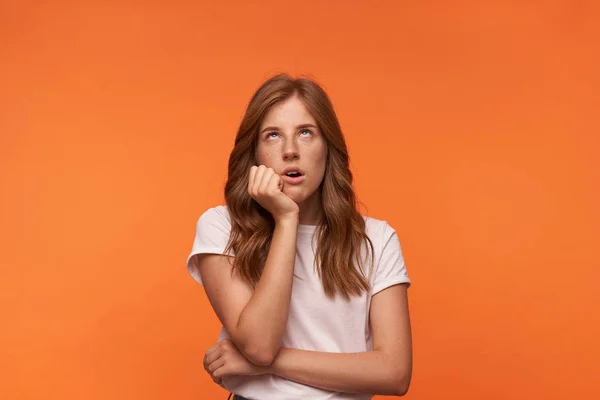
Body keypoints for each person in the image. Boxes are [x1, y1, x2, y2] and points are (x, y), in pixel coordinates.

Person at [186, 73, 413, 400]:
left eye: (306, 132)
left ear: (328, 147)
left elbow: (395, 373)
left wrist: (267, 366)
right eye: (273, 136)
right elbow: (259, 345)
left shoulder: (376, 238)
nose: (290, 151)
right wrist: (286, 218)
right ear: (255, 154)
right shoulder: (221, 227)